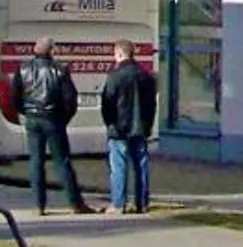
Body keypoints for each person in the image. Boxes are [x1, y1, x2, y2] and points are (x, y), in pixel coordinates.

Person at [16, 41, 95, 215]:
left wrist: (26, 111)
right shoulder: (60, 70)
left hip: (32, 119)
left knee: (36, 161)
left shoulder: (23, 69)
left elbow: (16, 95)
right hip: (53, 119)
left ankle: (39, 205)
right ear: (52, 51)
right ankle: (76, 204)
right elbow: (70, 99)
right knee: (62, 162)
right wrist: (63, 118)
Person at [99, 40, 158, 215]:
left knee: (118, 165)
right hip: (140, 127)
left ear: (119, 54)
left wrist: (110, 124)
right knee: (141, 165)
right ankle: (142, 203)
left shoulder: (115, 76)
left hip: (119, 128)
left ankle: (118, 203)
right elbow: (151, 105)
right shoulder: (146, 76)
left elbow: (107, 104)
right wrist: (147, 125)